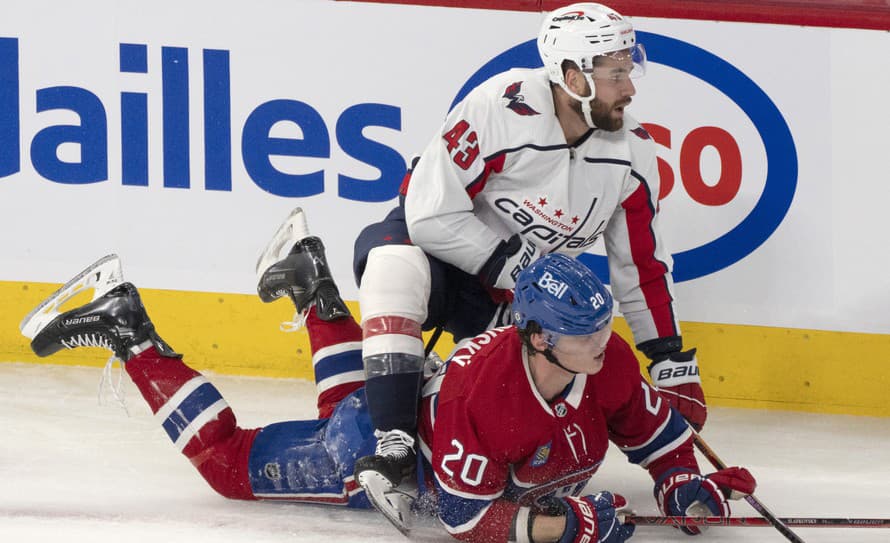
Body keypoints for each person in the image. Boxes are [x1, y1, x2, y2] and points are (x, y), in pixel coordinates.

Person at [19, 218, 753, 542]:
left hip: (412, 401)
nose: (606, 340)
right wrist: (569, 527)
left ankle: (316, 288)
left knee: (347, 394)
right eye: (584, 332)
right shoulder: (481, 401)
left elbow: (655, 433)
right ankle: (131, 333)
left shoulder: (605, 359)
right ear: (535, 336)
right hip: (390, 450)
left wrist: (680, 479)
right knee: (230, 463)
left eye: (602, 326)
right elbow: (471, 520)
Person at [344, 1, 706, 510]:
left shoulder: (632, 152)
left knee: (506, 390)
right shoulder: (498, 108)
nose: (630, 88)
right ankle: (395, 445)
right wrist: (519, 267)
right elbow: (426, 213)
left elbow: (640, 266)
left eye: (630, 69)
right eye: (616, 73)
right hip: (441, 262)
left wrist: (670, 359)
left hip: (515, 299)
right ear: (571, 76)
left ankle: (324, 309)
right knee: (392, 264)